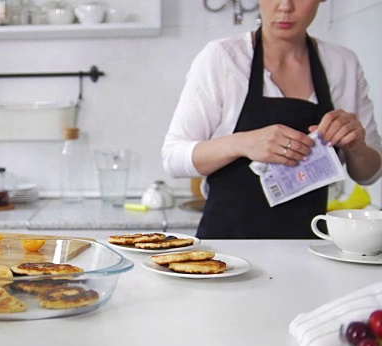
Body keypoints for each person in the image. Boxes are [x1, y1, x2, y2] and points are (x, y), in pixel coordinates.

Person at [161, 0, 382, 239]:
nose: (285, 6)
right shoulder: (223, 57)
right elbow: (172, 157)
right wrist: (242, 143)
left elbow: (369, 174)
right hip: (227, 253)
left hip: (308, 249)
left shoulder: (342, 63)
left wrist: (356, 147)